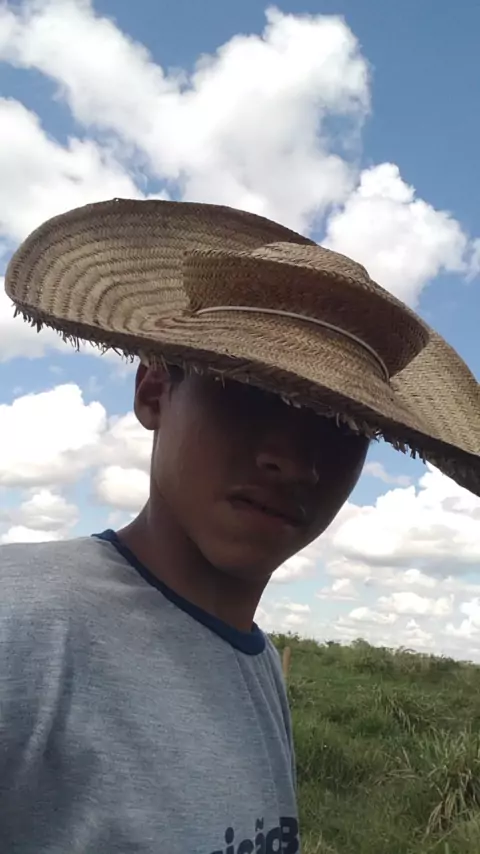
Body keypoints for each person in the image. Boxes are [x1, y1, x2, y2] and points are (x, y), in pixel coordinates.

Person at [1, 199, 479, 854]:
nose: (296, 461)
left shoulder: (258, 667)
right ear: (153, 392)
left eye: (342, 423)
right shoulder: (22, 625)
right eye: (248, 389)